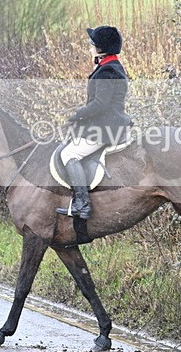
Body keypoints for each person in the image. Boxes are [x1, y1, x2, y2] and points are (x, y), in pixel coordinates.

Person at [56, 25, 131, 221]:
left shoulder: (108, 71)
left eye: (92, 44)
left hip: (106, 128)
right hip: (105, 124)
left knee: (68, 153)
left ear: (101, 48)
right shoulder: (109, 66)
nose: (89, 47)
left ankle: (82, 204)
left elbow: (100, 104)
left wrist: (76, 116)